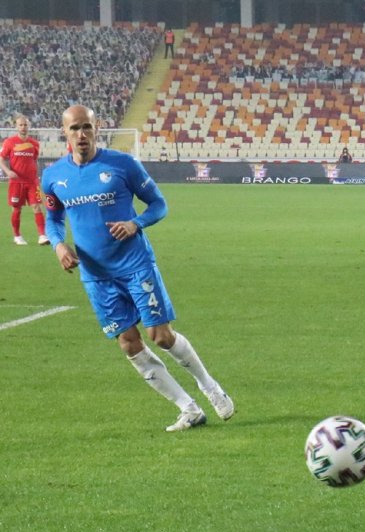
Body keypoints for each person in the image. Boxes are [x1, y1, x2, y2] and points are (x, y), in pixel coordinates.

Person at [42, 105, 234, 432]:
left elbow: (159, 204)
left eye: (87, 127)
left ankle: (209, 385)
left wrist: (135, 223)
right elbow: (53, 219)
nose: (81, 134)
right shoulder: (53, 175)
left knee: (160, 336)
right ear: (65, 132)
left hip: (135, 265)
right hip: (96, 275)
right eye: (74, 128)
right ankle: (188, 409)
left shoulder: (122, 164)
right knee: (129, 343)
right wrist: (59, 245)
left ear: (97, 128)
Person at [0, 115, 48, 246]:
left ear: (29, 126)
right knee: (17, 209)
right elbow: (2, 158)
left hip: (32, 182)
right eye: (20, 125)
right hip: (16, 182)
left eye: (25, 125)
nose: (23, 127)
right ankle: (17, 236)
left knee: (37, 207)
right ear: (16, 126)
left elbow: (34, 160)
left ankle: (42, 236)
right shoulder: (9, 142)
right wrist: (8, 171)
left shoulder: (34, 144)